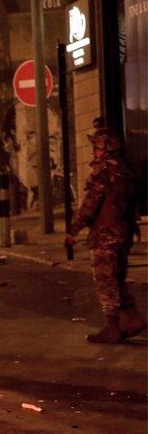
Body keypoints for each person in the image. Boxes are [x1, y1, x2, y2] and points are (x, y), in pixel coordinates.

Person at [65, 128, 146, 343]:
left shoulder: (104, 170)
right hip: (124, 232)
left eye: (96, 147)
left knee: (105, 281)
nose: (94, 151)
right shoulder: (127, 169)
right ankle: (133, 318)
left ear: (106, 148)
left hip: (105, 233)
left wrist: (74, 229)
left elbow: (92, 203)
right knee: (117, 278)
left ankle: (112, 327)